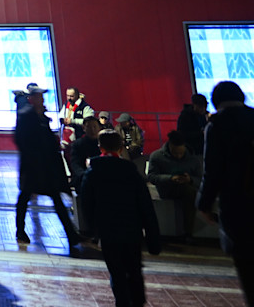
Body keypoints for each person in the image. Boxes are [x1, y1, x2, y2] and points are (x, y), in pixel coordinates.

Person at [83, 130, 162, 307]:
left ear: (100, 147)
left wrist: (94, 231)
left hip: (108, 231)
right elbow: (145, 206)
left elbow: (87, 205)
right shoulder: (131, 172)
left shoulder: (93, 172)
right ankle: (137, 301)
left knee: (116, 271)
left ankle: (122, 302)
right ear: (121, 148)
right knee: (134, 269)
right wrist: (153, 239)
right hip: (131, 230)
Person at [198, 81, 254, 298]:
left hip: (238, 204)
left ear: (216, 102)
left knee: (247, 265)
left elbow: (212, 170)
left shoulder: (216, 125)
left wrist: (204, 204)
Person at [14, 85, 82, 251]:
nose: (42, 99)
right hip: (34, 166)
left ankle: (71, 234)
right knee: (29, 197)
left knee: (44, 198)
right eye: (39, 96)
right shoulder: (28, 116)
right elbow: (23, 140)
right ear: (32, 98)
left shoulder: (38, 116)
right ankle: (21, 230)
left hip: (43, 167)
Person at [147, 130, 203, 239]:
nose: (178, 156)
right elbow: (152, 177)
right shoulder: (157, 156)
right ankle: (188, 233)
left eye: (181, 153)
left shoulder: (193, 159)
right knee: (189, 192)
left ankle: (188, 231)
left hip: (187, 188)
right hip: (167, 189)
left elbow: (200, 179)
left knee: (189, 191)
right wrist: (170, 178)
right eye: (175, 153)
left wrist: (190, 179)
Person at [69, 115, 103, 193]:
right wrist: (85, 175)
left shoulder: (104, 144)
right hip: (83, 179)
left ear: (99, 128)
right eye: (89, 127)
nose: (92, 130)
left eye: (94, 127)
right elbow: (75, 164)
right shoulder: (78, 144)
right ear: (84, 128)